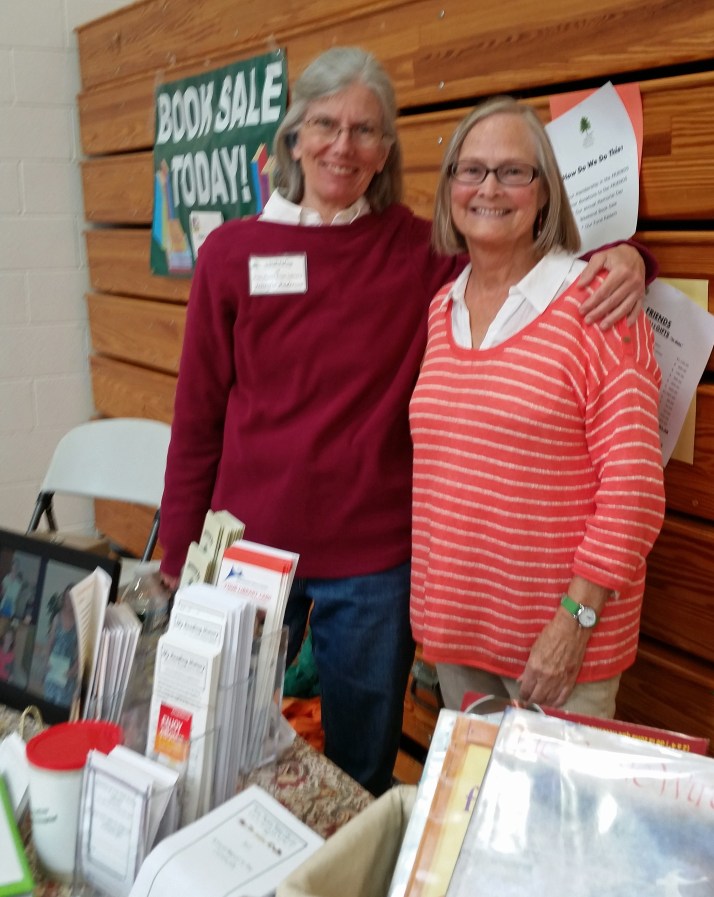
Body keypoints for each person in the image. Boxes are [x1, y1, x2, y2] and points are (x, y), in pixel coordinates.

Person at [159, 47, 655, 794]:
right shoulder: (231, 254)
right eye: (325, 123)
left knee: (360, 768)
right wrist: (175, 555)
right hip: (251, 555)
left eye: (366, 130)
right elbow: (195, 419)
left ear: (387, 151)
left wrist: (632, 258)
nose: (343, 144)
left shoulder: (414, 250)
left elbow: (520, 251)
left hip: (374, 565)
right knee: (224, 753)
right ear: (294, 134)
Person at [409, 96, 666, 719]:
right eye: (470, 170)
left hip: (557, 656)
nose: (488, 188)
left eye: (513, 171)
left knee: (553, 819)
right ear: (449, 191)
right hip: (457, 640)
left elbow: (633, 490)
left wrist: (573, 624)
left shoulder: (597, 305)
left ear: (546, 191)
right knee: (475, 815)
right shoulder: (441, 309)